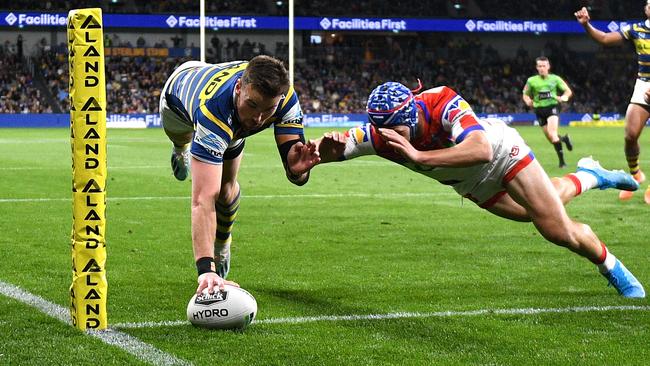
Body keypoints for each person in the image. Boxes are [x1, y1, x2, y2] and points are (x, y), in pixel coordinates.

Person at [310, 81, 645, 298]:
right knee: (535, 212)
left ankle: (612, 267)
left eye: (393, 126)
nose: (386, 134)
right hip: (471, 183)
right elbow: (311, 161)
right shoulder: (376, 134)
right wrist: (309, 160)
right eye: (379, 127)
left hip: (501, 152)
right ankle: (590, 175)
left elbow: (481, 149)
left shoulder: (441, 102)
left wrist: (418, 154)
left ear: (411, 114)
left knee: (556, 230)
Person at [159, 55, 321, 294]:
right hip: (177, 100)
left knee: (226, 191)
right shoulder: (213, 113)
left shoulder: (286, 99)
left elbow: (295, 166)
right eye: (253, 105)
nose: (258, 119)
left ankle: (223, 243)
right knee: (192, 155)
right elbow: (202, 200)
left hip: (230, 121)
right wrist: (206, 270)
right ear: (239, 89)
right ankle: (181, 149)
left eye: (268, 110)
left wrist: (298, 172)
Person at [575, 5, 650, 203]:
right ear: (646, 9)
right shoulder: (636, 29)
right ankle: (635, 175)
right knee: (630, 135)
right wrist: (587, 25)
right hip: (644, 85)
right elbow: (606, 39)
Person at [522, 56, 573, 168]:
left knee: (553, 134)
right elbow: (525, 94)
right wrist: (527, 100)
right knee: (551, 138)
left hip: (552, 108)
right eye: (539, 66)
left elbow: (568, 91)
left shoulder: (555, 79)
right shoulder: (531, 81)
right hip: (539, 110)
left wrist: (564, 98)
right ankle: (565, 139)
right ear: (537, 67)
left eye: (544, 66)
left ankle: (562, 163)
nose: (541, 68)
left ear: (548, 67)